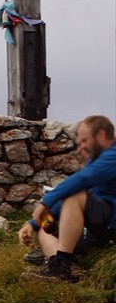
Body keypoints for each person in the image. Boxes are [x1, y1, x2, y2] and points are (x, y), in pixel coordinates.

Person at [19, 115, 116, 280]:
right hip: (103, 225)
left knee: (74, 196)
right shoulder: (99, 160)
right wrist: (33, 224)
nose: (81, 147)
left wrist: (45, 202)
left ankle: (63, 263)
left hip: (112, 224)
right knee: (46, 225)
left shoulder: (112, 156)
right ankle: (62, 269)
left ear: (100, 136)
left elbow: (84, 179)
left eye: (85, 141)